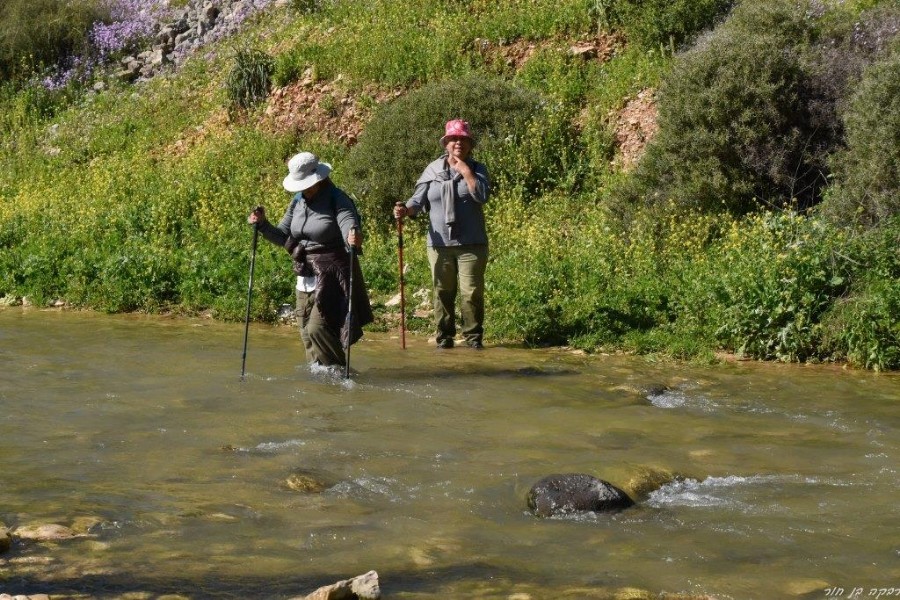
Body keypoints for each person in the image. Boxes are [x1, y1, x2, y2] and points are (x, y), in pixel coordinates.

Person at [249, 151, 373, 367]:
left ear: (320, 178)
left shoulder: (338, 199)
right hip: (304, 274)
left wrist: (353, 237)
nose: (302, 190)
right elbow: (284, 235)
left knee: (318, 328)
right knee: (306, 334)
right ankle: (321, 386)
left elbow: (349, 224)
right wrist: (263, 225)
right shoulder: (298, 201)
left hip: (333, 274)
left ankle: (338, 375)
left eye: (306, 184)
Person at [393, 119, 490, 349]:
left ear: (470, 145)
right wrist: (405, 210)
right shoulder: (432, 170)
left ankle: (473, 340)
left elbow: (482, 196)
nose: (459, 143)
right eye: (454, 139)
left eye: (464, 139)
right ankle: (444, 339)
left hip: (472, 244)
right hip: (439, 245)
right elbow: (418, 200)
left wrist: (465, 171)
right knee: (442, 293)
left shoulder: (477, 169)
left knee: (471, 294)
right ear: (445, 143)